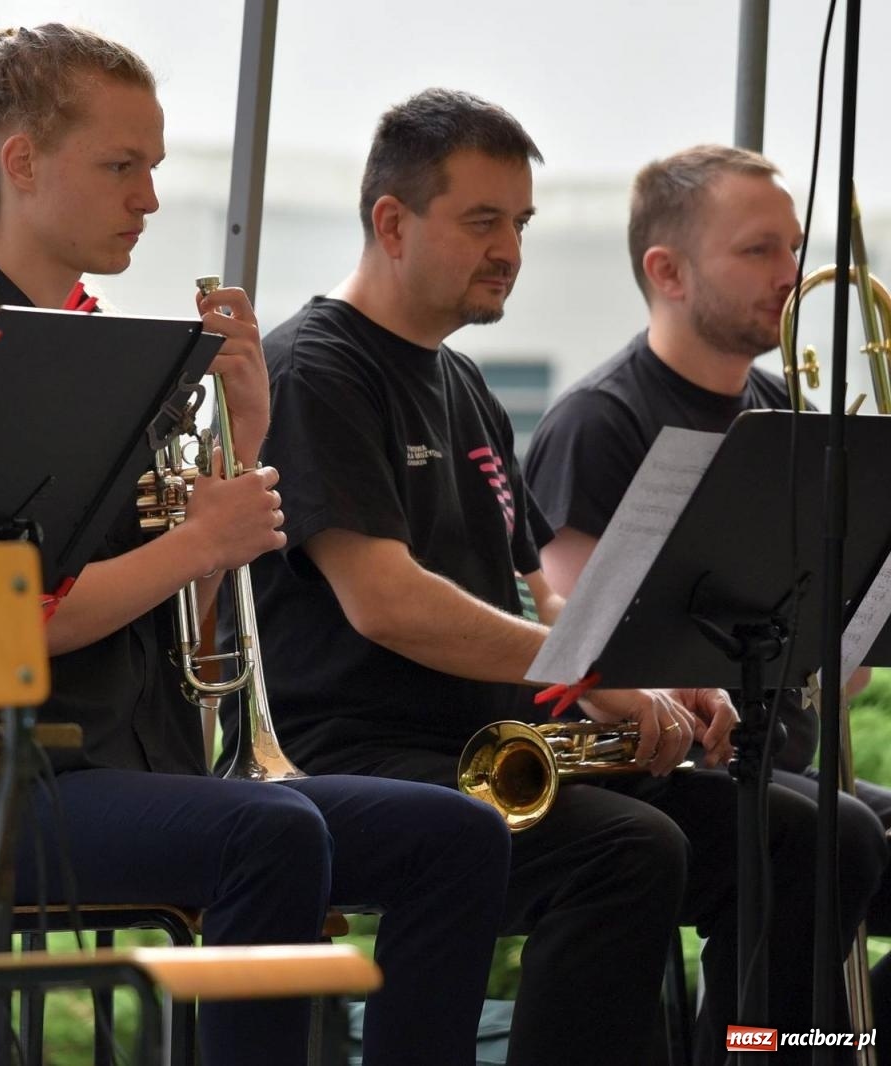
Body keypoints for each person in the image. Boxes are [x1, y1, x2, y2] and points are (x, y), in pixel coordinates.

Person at [0, 25, 512, 1066]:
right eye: (122, 166)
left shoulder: (102, 355)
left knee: (458, 834)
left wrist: (241, 441)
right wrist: (199, 542)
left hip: (133, 761)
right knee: (273, 834)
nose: (149, 198)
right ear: (22, 161)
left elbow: (189, 645)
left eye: (152, 168)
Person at [232, 89, 879, 1065]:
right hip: (358, 752)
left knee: (815, 837)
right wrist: (595, 671)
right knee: (628, 851)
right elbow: (385, 600)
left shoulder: (465, 385)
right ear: (392, 223)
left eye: (522, 224)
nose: (510, 250)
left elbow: (545, 596)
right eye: (482, 221)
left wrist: (657, 675)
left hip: (497, 745)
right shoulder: (318, 369)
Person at [523, 142, 891, 1033]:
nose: (790, 273)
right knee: (830, 840)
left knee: (841, 833)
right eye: (758, 250)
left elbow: (845, 670)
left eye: (793, 246)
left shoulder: (784, 413)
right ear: (668, 272)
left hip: (781, 760)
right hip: (669, 770)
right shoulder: (599, 421)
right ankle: (756, 1048)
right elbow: (583, 656)